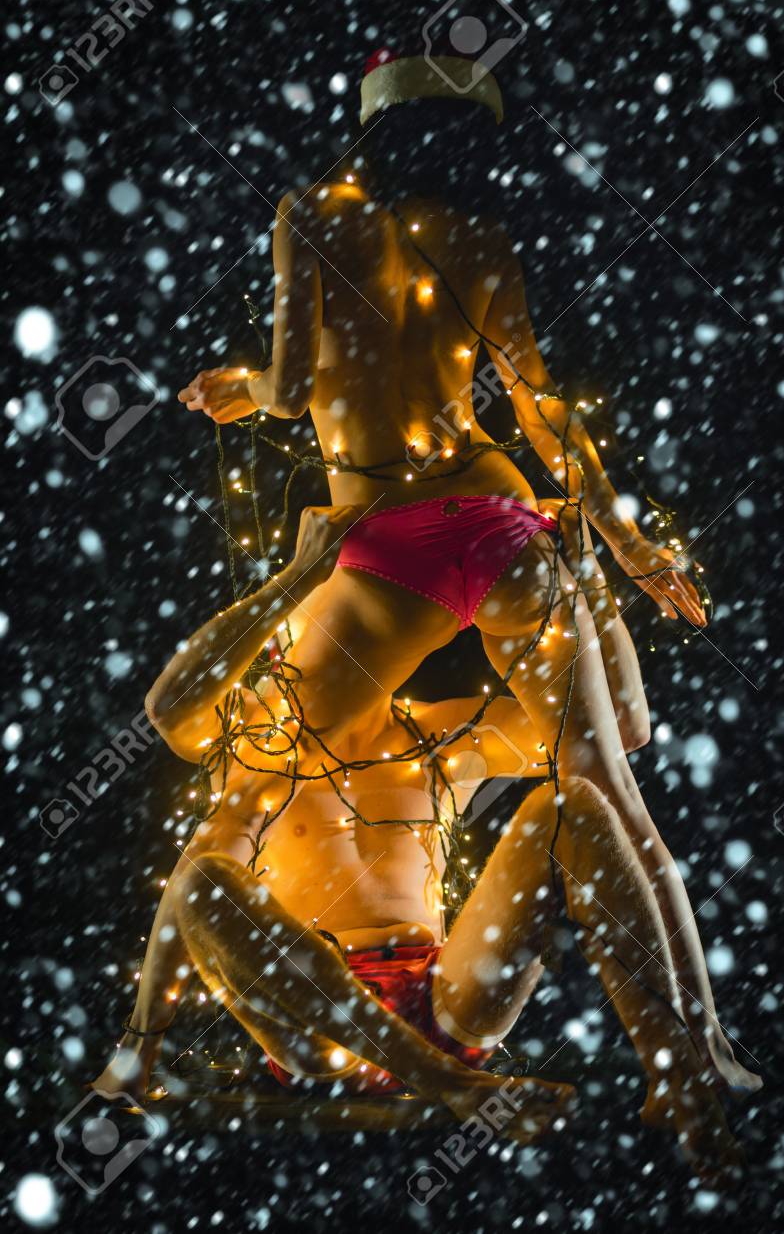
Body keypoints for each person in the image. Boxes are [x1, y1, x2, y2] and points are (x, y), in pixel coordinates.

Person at [93, 502, 743, 1183]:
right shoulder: (255, 747)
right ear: (288, 646)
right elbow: (169, 708)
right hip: (320, 1027)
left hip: (445, 1001)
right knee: (203, 878)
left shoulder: (438, 737)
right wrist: (297, 576)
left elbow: (619, 729)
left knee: (574, 806)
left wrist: (586, 585)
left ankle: (676, 1075)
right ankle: (452, 1086)